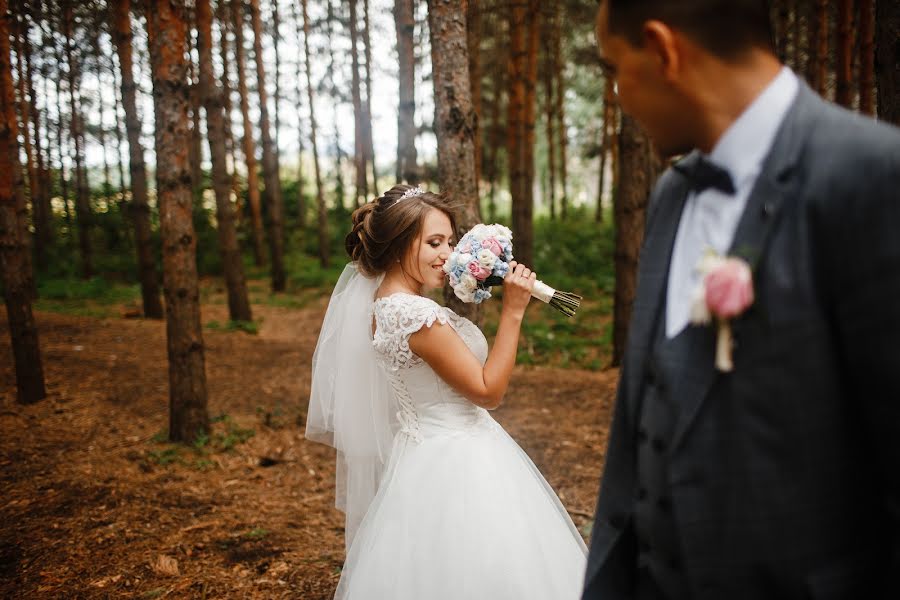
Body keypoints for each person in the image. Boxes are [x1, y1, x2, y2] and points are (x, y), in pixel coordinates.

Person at [584, 1, 900, 598]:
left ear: (663, 49)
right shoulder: (671, 197)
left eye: (615, 68)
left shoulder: (871, 178)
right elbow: (634, 459)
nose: (620, 94)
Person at [306, 184, 587, 600]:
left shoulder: (389, 306)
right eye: (434, 242)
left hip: (426, 453)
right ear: (400, 244)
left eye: (451, 241)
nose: (448, 253)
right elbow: (488, 391)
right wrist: (512, 312)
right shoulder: (414, 315)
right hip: (458, 459)